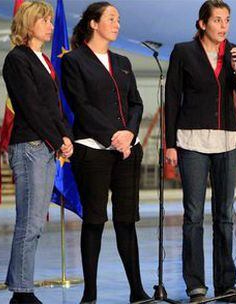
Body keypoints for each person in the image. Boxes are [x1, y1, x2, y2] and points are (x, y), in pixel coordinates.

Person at [165, 0, 236, 302]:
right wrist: (169, 144)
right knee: (193, 215)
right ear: (203, 23)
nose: (223, 26)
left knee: (225, 216)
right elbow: (172, 98)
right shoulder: (183, 52)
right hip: (191, 141)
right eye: (217, 20)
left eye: (227, 20)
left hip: (227, 142)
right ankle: (195, 284)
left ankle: (226, 284)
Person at [60, 2, 149, 303]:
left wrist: (129, 134)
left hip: (126, 151)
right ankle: (90, 293)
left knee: (127, 220)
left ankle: (137, 291)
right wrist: (112, 135)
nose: (117, 24)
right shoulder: (74, 61)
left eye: (118, 19)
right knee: (94, 220)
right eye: (111, 18)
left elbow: (136, 104)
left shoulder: (123, 61)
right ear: (94, 24)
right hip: (93, 150)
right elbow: (80, 105)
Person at [2, 2, 74, 303]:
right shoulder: (17, 60)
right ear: (29, 24)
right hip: (30, 146)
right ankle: (21, 293)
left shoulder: (43, 59)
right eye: (44, 20)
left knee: (34, 223)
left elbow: (52, 107)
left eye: (50, 20)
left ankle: (20, 287)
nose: (50, 25)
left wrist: (66, 137)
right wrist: (57, 139)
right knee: (29, 222)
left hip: (45, 146)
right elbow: (30, 107)